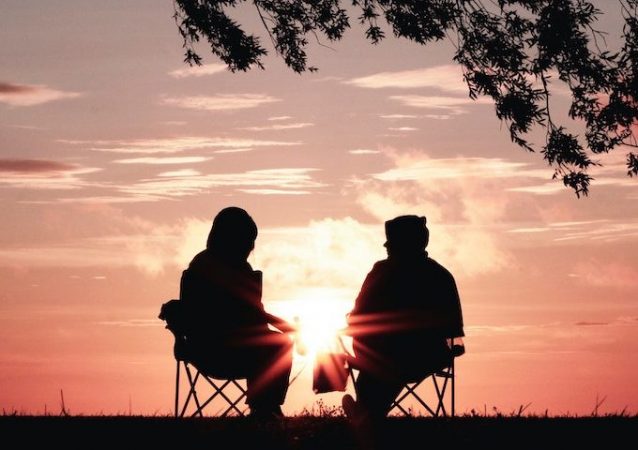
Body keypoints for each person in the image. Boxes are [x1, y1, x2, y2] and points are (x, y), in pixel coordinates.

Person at [342, 215, 465, 421]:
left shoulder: (381, 272)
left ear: (399, 245)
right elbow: (454, 329)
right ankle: (366, 412)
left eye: (390, 245)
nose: (387, 249)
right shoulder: (440, 275)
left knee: (381, 363)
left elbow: (358, 316)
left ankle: (365, 413)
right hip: (429, 357)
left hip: (386, 357)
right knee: (386, 363)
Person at [179, 206, 294, 419]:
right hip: (217, 350)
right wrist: (286, 327)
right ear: (231, 239)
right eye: (248, 240)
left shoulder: (207, 265)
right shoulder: (211, 269)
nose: (251, 247)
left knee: (277, 344)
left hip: (210, 349)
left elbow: (253, 314)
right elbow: (248, 313)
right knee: (281, 344)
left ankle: (265, 406)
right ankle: (264, 407)